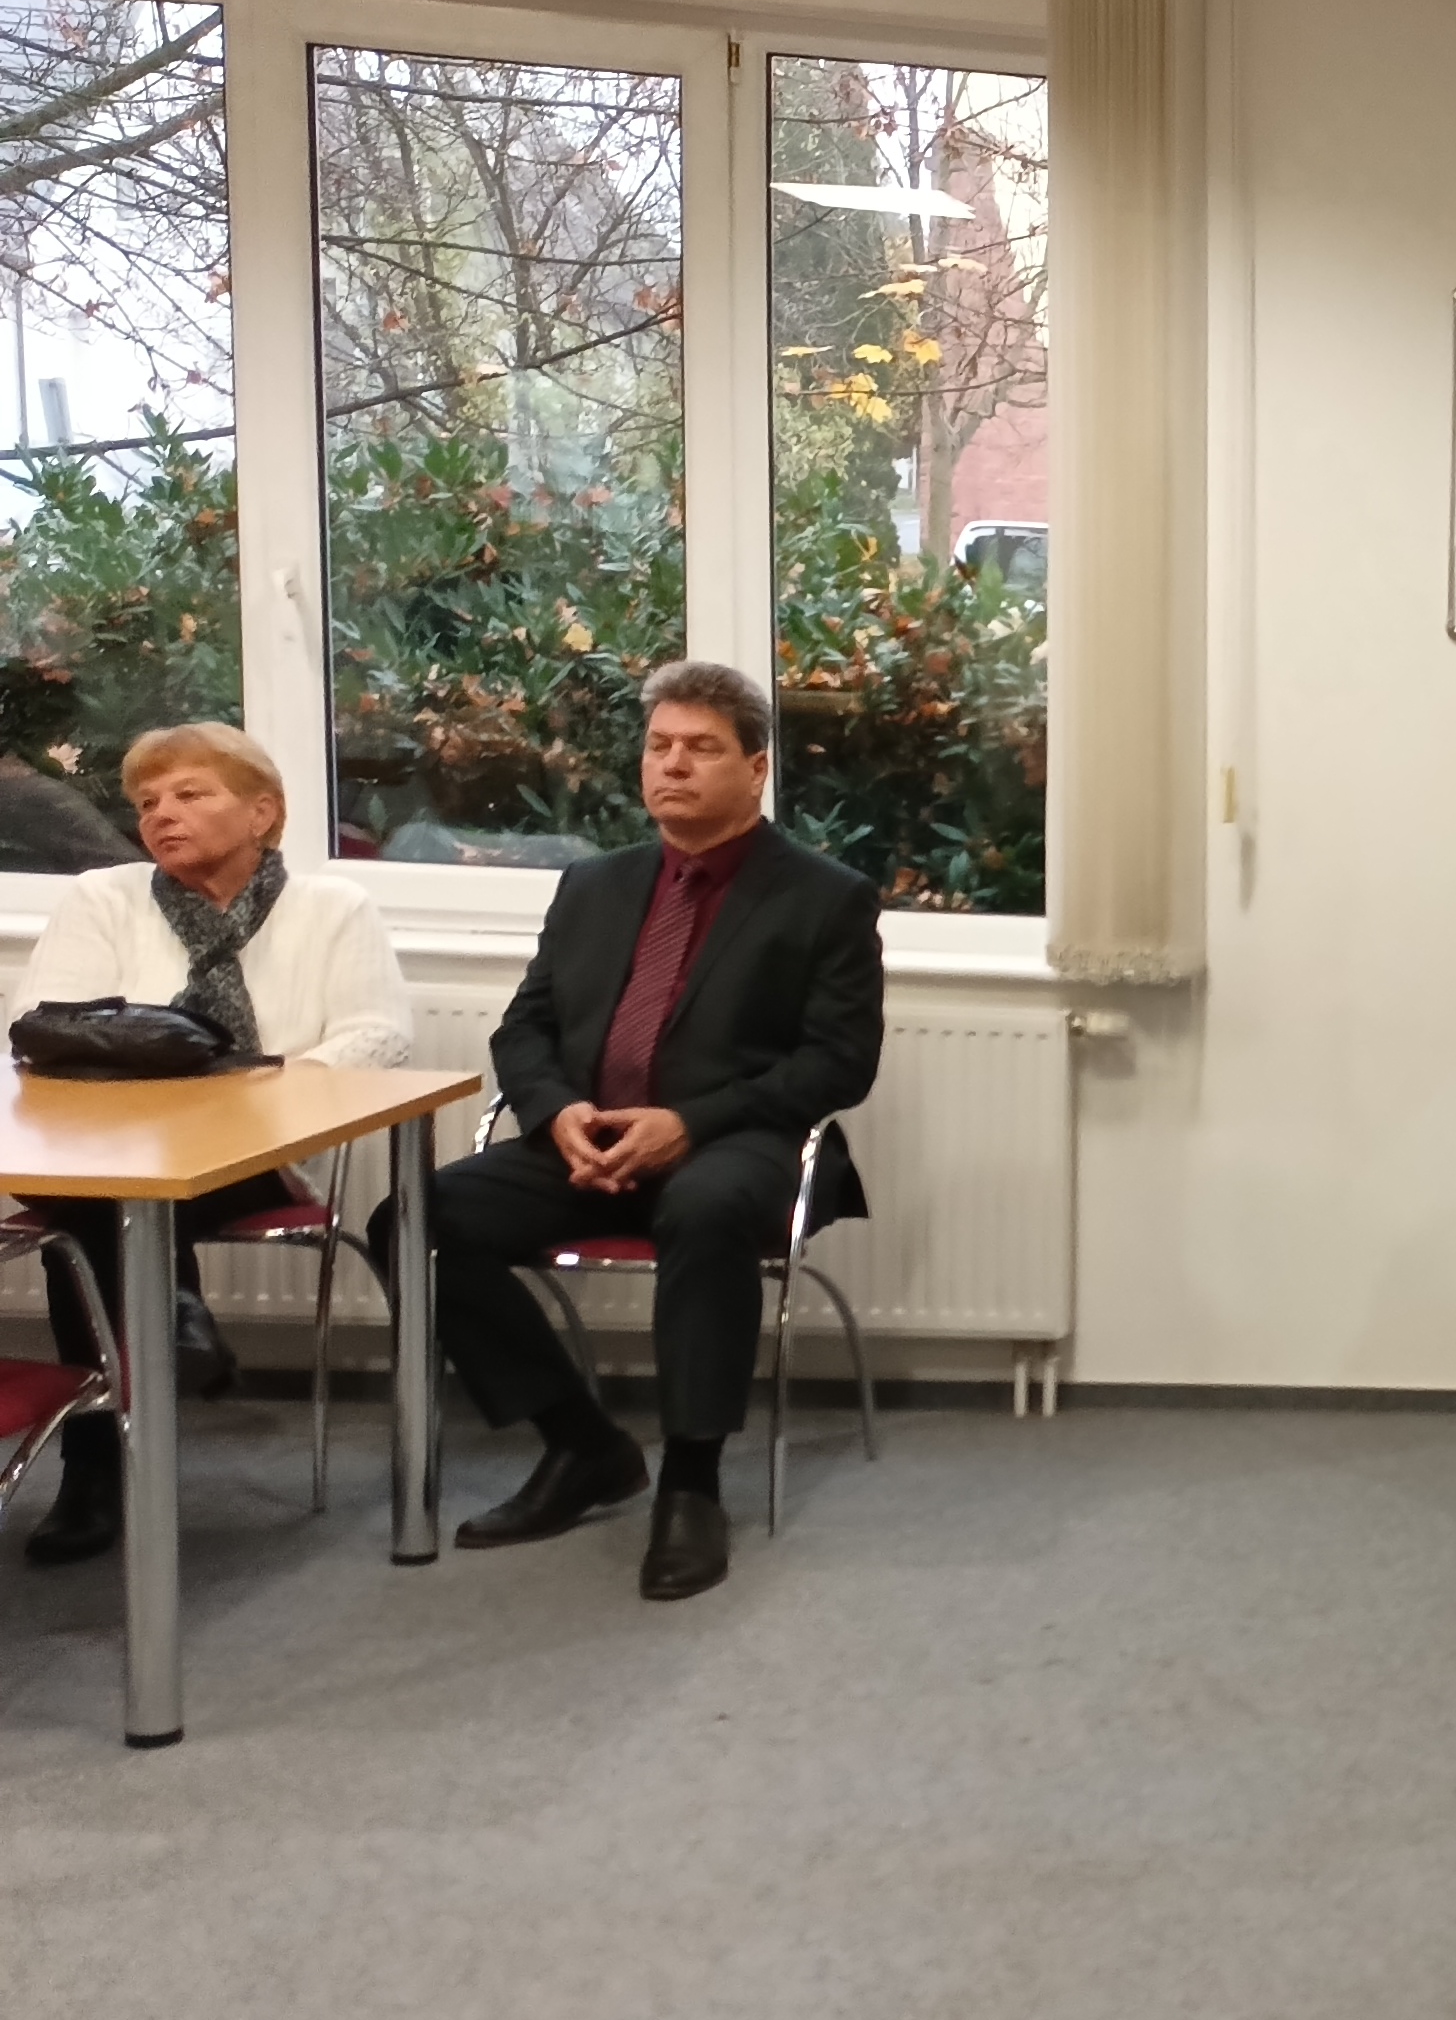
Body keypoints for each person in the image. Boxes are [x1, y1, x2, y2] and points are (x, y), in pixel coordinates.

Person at [388, 660, 885, 1602]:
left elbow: (839, 1064)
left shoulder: (825, 896)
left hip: (738, 1143)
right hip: (588, 1139)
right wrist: (556, 1113)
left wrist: (688, 1123)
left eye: (701, 748)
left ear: (756, 768)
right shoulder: (594, 884)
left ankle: (692, 1482)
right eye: (659, 747)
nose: (674, 766)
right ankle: (582, 1444)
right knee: (413, 1219)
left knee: (703, 1210)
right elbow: (524, 1029)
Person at [5, 723, 413, 1565]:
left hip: (263, 1150)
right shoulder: (103, 898)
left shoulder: (333, 908)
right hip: (108, 1146)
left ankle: (98, 1462)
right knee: (98, 1202)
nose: (161, 814)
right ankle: (165, 1337)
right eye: (148, 801)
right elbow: (46, 1027)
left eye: (190, 794)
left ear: (263, 812)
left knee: (92, 1219)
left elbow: (378, 1036)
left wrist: (246, 1095)